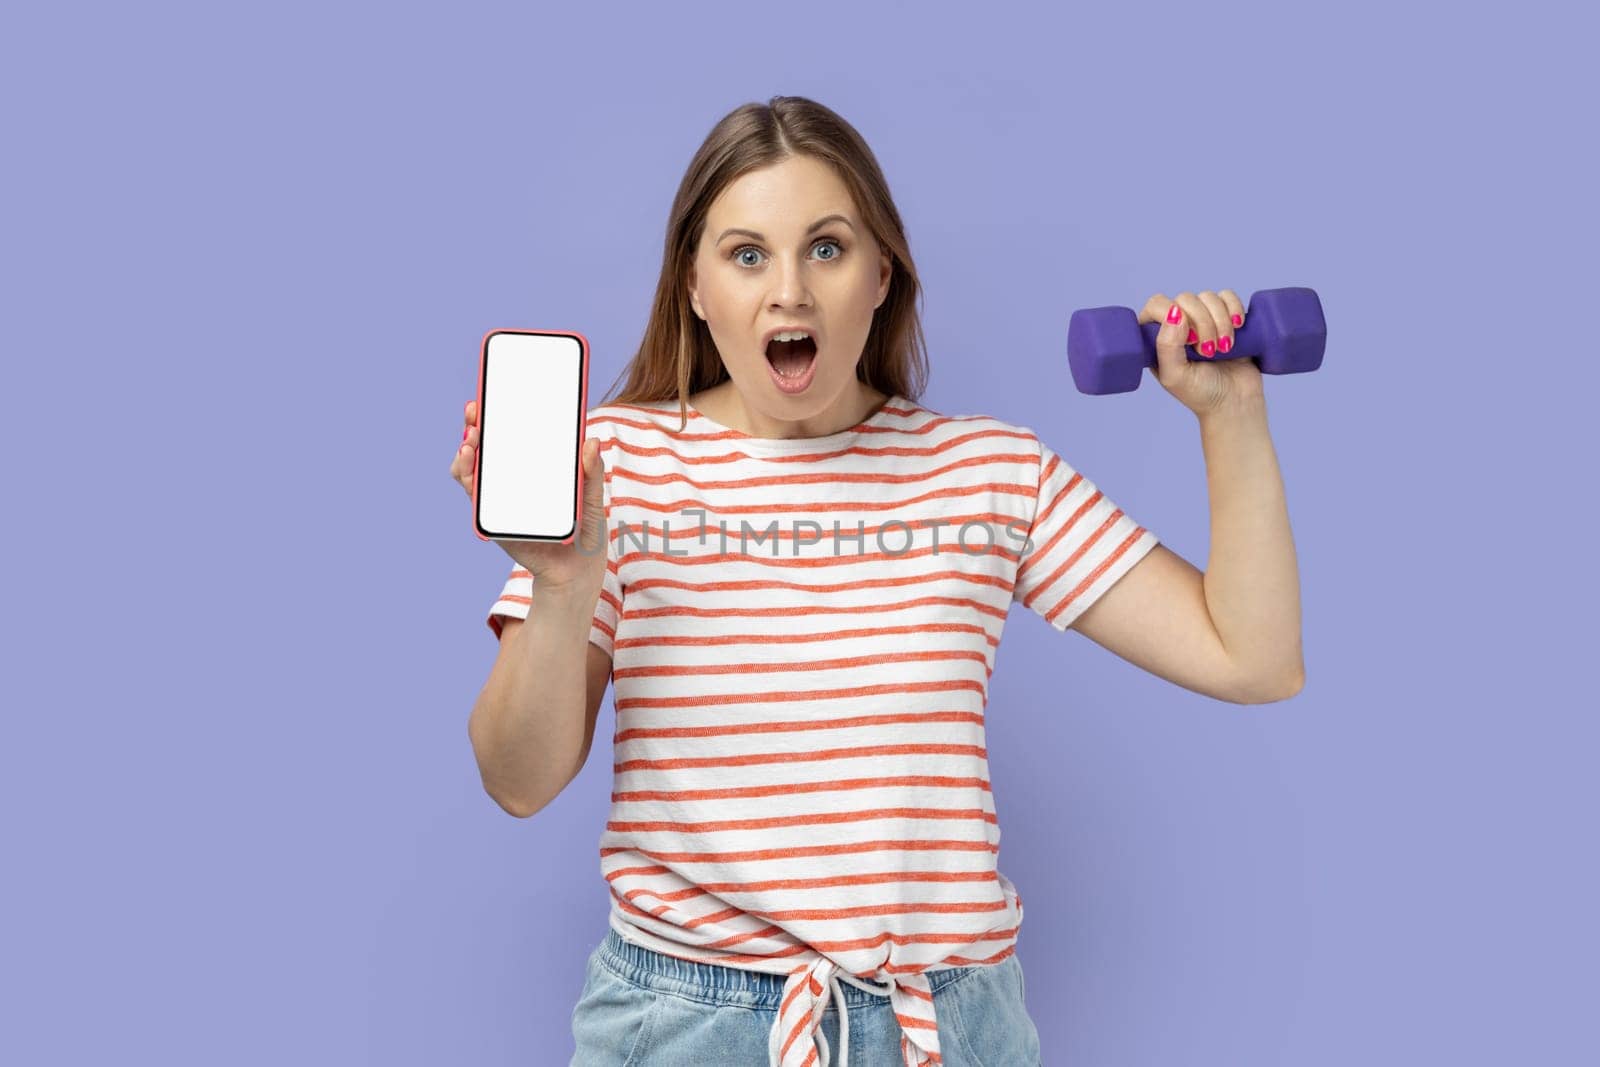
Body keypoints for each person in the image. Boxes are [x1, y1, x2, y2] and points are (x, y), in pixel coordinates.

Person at [451, 95, 1304, 1067]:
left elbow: (1254, 657)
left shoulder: (989, 471)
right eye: (745, 254)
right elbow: (516, 781)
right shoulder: (617, 465)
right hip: (691, 1025)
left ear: (881, 274)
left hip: (946, 1024)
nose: (789, 293)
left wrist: (1229, 413)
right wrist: (564, 584)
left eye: (826, 247)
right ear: (693, 286)